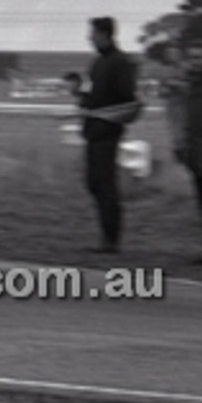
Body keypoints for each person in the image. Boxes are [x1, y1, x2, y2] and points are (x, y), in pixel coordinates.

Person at [81, 17, 138, 253]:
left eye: (93, 33)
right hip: (92, 131)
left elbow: (127, 98)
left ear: (105, 34)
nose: (90, 38)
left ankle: (111, 240)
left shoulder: (120, 62)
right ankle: (105, 234)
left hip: (107, 131)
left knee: (106, 185)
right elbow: (91, 94)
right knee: (93, 183)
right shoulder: (97, 63)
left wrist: (110, 118)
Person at [173, 41, 202, 263]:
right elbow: (188, 121)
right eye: (192, 57)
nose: (196, 62)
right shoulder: (191, 85)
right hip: (198, 156)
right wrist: (182, 147)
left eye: (200, 57)